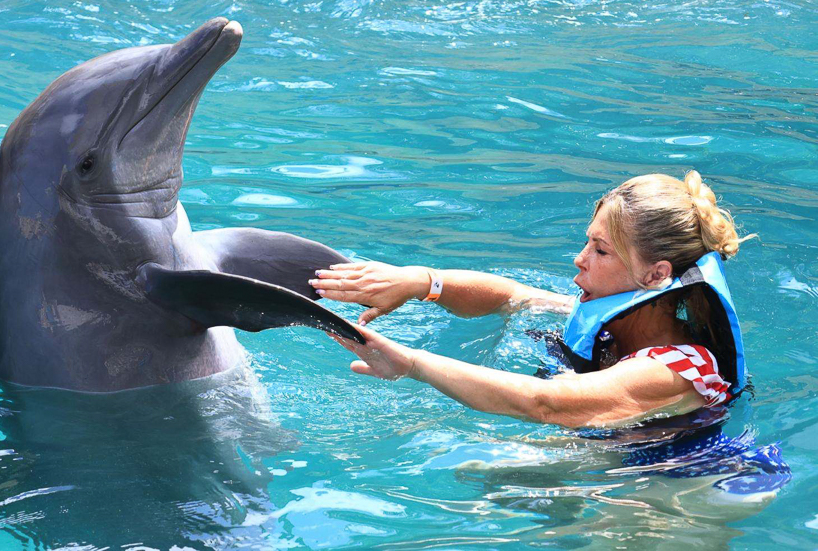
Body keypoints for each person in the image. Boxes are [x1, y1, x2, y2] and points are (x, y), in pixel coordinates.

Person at [311, 171, 754, 428]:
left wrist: (412, 364)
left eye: (601, 251)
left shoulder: (675, 369)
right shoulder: (607, 316)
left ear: (656, 275)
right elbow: (514, 297)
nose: (579, 260)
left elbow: (547, 403)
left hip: (669, 503)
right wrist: (422, 282)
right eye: (588, 242)